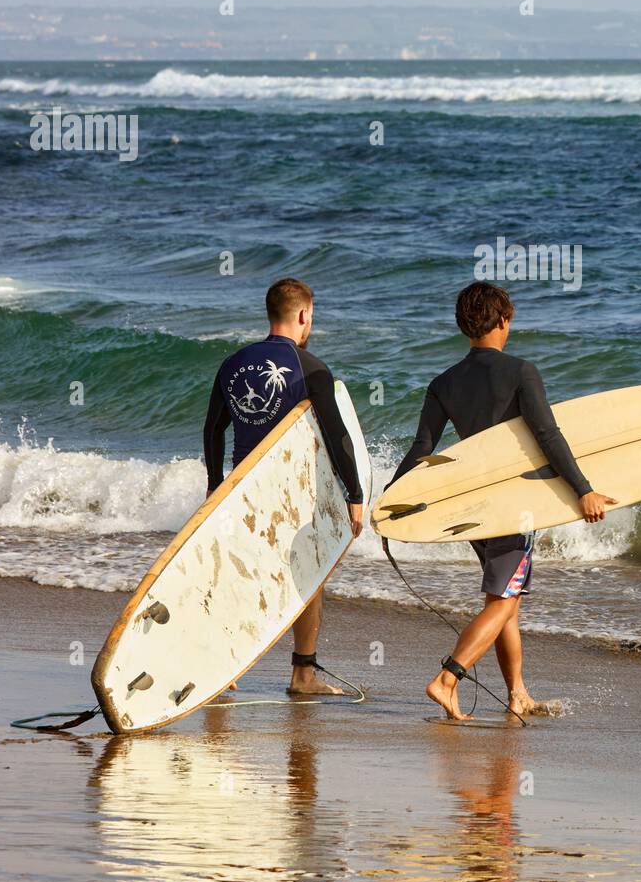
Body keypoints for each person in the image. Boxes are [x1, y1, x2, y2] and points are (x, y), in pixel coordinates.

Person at [390, 282, 615, 719]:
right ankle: (447, 678)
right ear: (505, 320)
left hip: (474, 508)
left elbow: (423, 448)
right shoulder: (520, 371)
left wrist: (392, 500)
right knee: (504, 600)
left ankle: (518, 694)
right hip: (514, 504)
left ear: (464, 326)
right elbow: (548, 436)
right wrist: (582, 489)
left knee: (504, 598)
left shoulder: (443, 383)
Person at [203, 277, 363, 696]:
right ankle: (302, 675)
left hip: (240, 491)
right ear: (304, 315)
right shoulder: (310, 368)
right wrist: (356, 494)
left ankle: (224, 666)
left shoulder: (233, 363)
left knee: (241, 574)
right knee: (308, 577)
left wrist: (215, 485)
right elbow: (336, 434)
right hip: (290, 495)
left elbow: (212, 429)